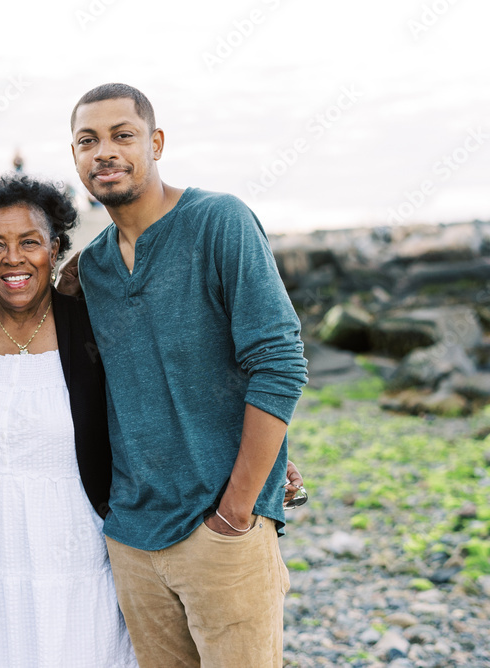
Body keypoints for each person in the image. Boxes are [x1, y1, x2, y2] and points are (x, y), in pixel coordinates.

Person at [65, 83, 310, 667]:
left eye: (122, 136)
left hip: (221, 531)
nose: (105, 152)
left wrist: (239, 509)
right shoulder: (90, 269)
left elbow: (279, 360)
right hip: (132, 537)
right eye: (87, 140)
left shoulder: (218, 222)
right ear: (74, 157)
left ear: (156, 142)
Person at [0, 174, 138, 667]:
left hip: (74, 556)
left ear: (56, 248)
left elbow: (157, 403)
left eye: (30, 242)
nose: (13, 259)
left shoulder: (92, 327)